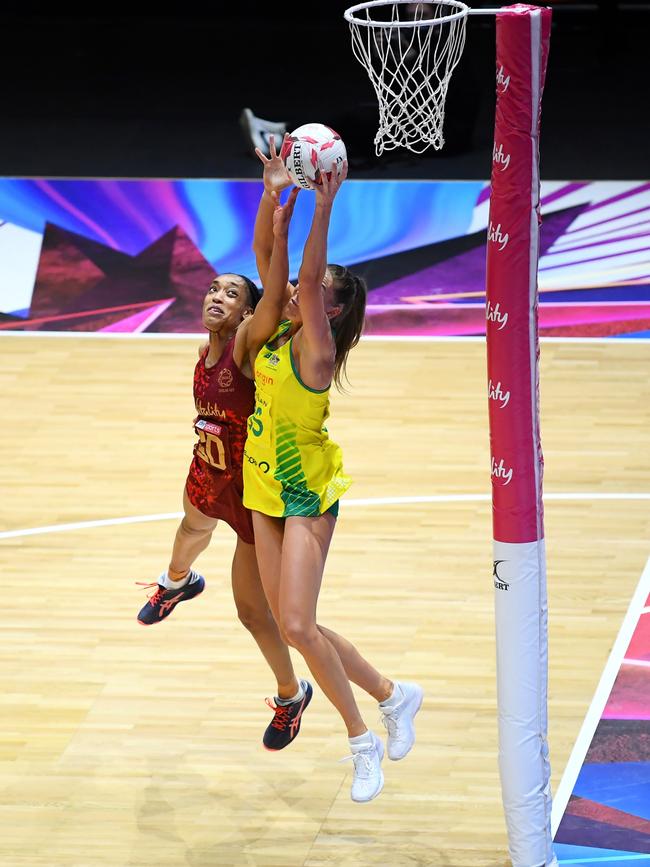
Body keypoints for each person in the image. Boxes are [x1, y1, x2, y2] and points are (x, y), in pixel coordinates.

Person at [244, 136, 424, 802]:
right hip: (260, 484)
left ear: (333, 311)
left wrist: (324, 206)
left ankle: (361, 738)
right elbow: (269, 257)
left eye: (311, 291)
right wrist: (274, 199)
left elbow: (310, 279)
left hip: (305, 490)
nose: (295, 288)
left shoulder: (316, 350)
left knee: (295, 624)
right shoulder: (281, 327)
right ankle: (393, 693)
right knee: (301, 624)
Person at [136, 264, 314, 752]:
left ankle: (292, 694)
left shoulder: (244, 346)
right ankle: (178, 583)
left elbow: (275, 297)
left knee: (254, 614)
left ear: (248, 313)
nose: (216, 296)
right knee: (190, 531)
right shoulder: (203, 351)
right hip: (208, 469)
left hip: (253, 491)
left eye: (231, 293)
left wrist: (276, 210)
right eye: (213, 288)